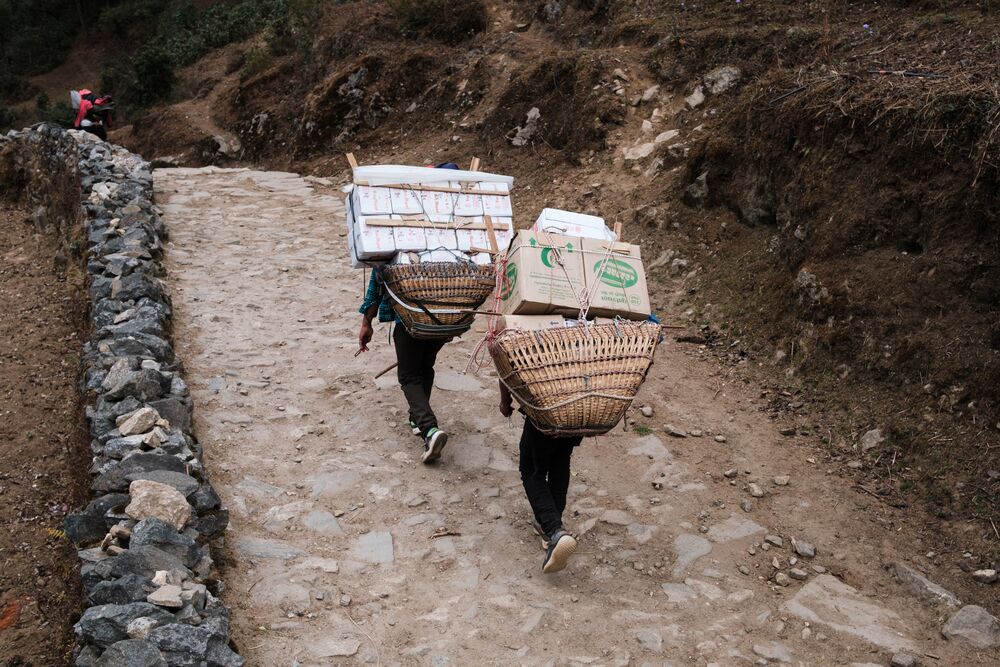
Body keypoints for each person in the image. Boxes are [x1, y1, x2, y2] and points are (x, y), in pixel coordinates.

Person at [358, 273, 449, 463]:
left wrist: (367, 323)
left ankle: (430, 430)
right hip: (442, 319)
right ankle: (416, 418)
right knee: (425, 366)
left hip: (409, 321)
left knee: (409, 376)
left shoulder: (395, 245)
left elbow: (377, 285)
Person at [499, 382, 580, 574]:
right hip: (577, 408)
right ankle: (548, 525)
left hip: (546, 407)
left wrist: (505, 402)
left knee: (530, 470)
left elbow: (505, 369)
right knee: (560, 461)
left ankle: (554, 530)